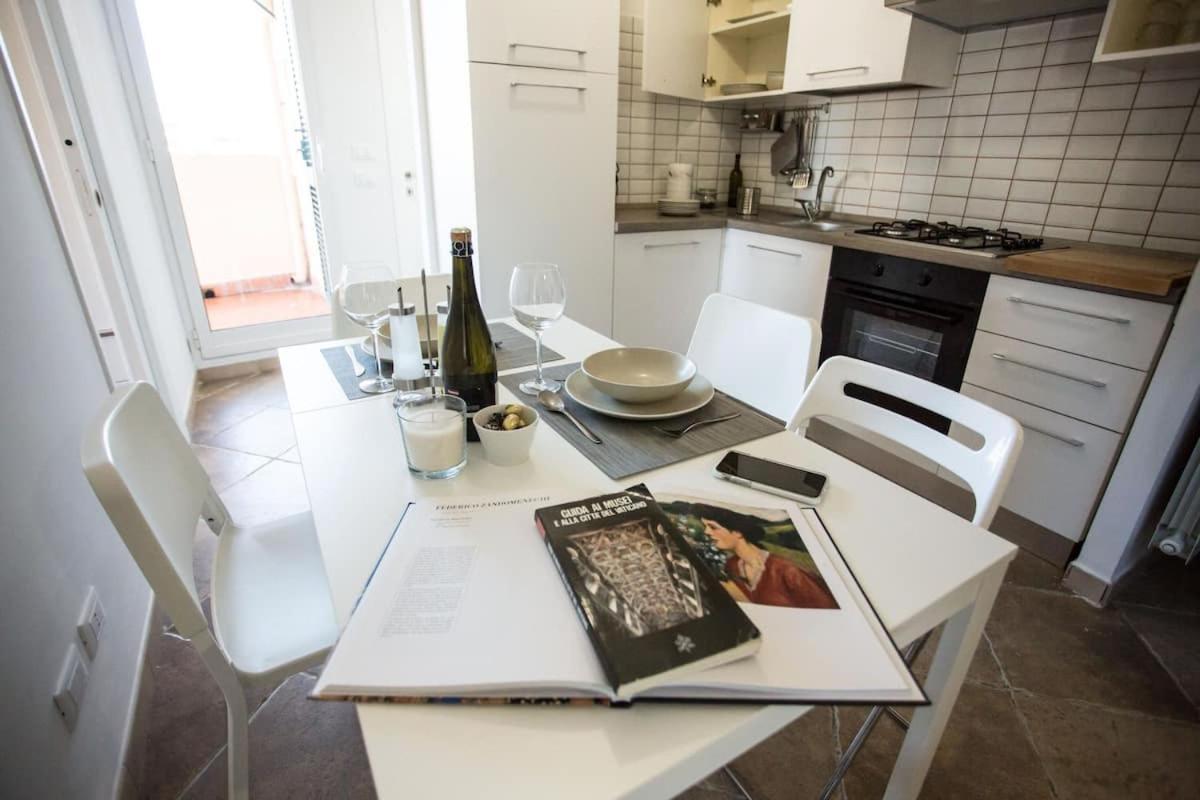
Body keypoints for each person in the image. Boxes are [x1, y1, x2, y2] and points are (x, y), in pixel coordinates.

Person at [691, 503, 837, 609]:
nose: (707, 532)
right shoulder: (732, 566)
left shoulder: (787, 571)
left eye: (713, 527)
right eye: (705, 527)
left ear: (738, 532)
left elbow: (828, 610)